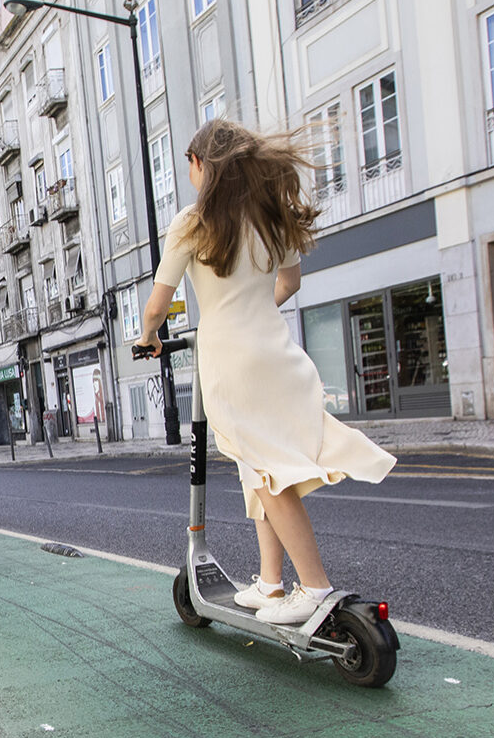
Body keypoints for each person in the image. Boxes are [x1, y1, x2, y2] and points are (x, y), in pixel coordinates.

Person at [135, 119, 396, 626]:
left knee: (268, 475)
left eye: (189, 164)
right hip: (278, 355)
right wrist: (256, 310)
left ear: (200, 165)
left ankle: (315, 587)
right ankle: (271, 584)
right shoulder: (271, 217)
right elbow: (290, 282)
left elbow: (155, 309)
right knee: (261, 468)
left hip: (231, 362)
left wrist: (148, 340)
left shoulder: (192, 222)